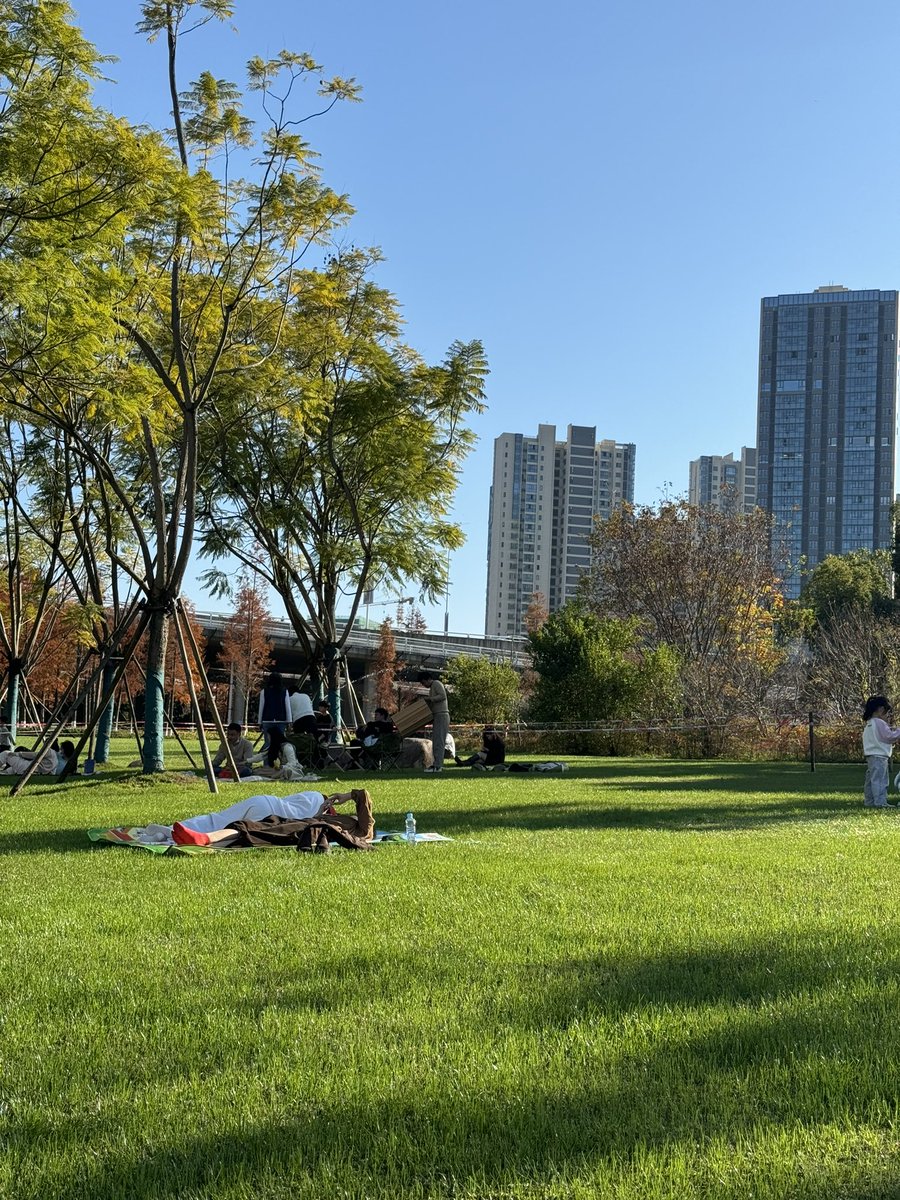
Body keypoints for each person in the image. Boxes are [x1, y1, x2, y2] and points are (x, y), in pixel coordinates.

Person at [172, 787, 374, 846]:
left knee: (258, 831)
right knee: (251, 824)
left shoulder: (361, 831)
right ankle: (203, 836)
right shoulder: (336, 819)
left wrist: (346, 796)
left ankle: (205, 839)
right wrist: (320, 813)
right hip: (304, 822)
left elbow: (364, 797)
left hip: (310, 830)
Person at [862, 695, 900, 808]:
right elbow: (888, 736)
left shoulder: (869, 723)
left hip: (870, 755)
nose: (888, 716)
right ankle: (880, 802)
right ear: (881, 710)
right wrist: (898, 731)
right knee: (880, 780)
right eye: (887, 713)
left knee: (870, 780)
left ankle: (869, 801)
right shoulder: (879, 723)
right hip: (879, 756)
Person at [420, 670, 450, 772]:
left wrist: (429, 699)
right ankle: (436, 763)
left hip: (442, 714)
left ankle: (438, 765)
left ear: (428, 679)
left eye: (424, 683)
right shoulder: (432, 687)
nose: (424, 685)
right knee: (436, 740)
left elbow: (442, 696)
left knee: (439, 741)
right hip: (437, 715)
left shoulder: (437, 683)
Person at [257, 672, 290, 749]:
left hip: (267, 720)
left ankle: (267, 760)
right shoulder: (284, 691)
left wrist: (259, 722)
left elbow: (261, 707)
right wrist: (289, 721)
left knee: (268, 743)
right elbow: (287, 707)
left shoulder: (264, 691)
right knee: (281, 743)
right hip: (281, 720)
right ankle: (281, 760)